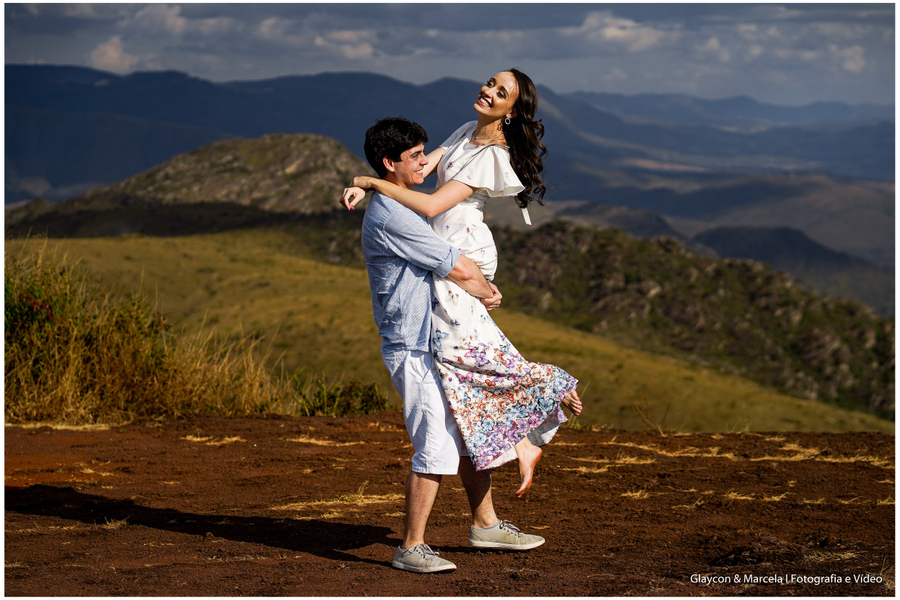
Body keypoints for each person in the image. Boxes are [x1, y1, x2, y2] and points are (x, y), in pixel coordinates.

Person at [343, 69, 582, 499]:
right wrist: (371, 188)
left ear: (512, 111)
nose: (488, 91)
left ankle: (546, 389)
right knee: (457, 355)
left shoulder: (493, 153)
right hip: (444, 244)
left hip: (461, 245)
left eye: (501, 92)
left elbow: (433, 201)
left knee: (462, 351)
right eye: (491, 82)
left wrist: (371, 183)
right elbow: (416, 167)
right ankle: (522, 441)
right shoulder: (464, 131)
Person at [356, 116, 548, 574]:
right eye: (416, 158)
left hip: (432, 336)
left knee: (462, 433)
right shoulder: (393, 214)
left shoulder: (398, 199)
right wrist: (487, 290)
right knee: (434, 445)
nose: (425, 163)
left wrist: (361, 182)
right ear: (390, 164)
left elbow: (448, 156)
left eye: (424, 152)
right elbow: (453, 264)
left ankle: (485, 525)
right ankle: (411, 546)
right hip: (412, 344)